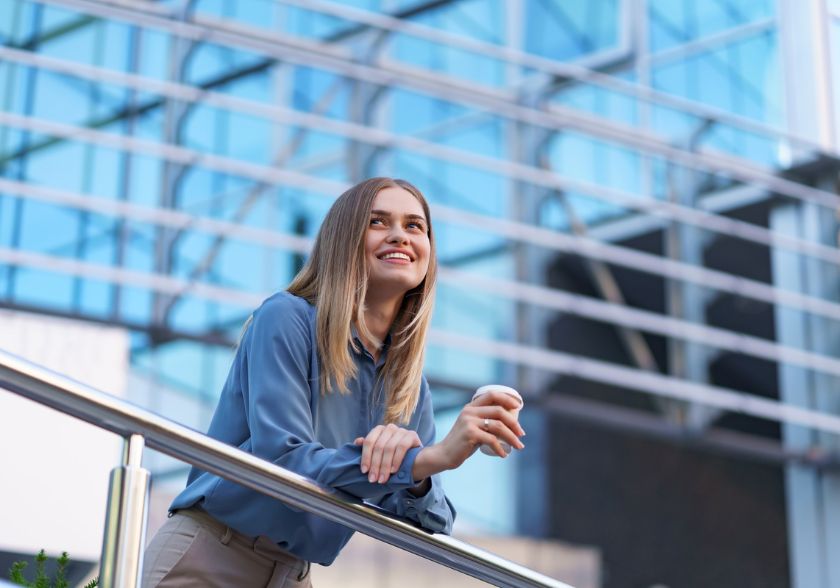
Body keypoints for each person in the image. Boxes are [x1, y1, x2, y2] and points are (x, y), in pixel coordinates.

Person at [141, 177, 526, 587]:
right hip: (212, 554)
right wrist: (430, 457)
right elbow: (282, 460)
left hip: (294, 574)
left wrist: (418, 479)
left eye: (415, 226)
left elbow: (431, 520)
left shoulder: (409, 388)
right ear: (345, 239)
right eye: (378, 222)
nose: (400, 235)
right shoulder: (286, 318)